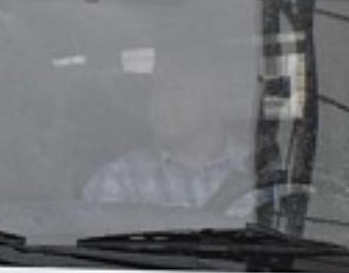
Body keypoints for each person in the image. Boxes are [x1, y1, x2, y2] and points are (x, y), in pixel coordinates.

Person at [84, 47, 259, 213]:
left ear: (215, 96)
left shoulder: (261, 174)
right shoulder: (120, 179)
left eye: (177, 89)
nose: (159, 102)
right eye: (156, 89)